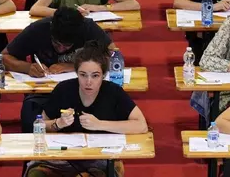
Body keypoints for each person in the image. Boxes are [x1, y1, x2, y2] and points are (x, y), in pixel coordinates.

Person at [29, 43, 148, 177]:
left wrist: (100, 124)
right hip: (63, 158)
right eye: (83, 75)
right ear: (77, 73)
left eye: (95, 76)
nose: (88, 82)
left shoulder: (113, 92)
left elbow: (141, 125)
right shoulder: (63, 89)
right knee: (36, 174)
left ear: (103, 75)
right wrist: (58, 123)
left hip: (101, 160)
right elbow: (40, 125)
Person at [3, 7, 114, 131]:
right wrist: (27, 67)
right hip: (44, 93)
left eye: (67, 46)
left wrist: (73, 66)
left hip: (85, 91)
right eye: (56, 43)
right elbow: (4, 57)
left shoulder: (87, 28)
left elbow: (113, 55)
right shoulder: (38, 29)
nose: (61, 49)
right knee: (30, 117)